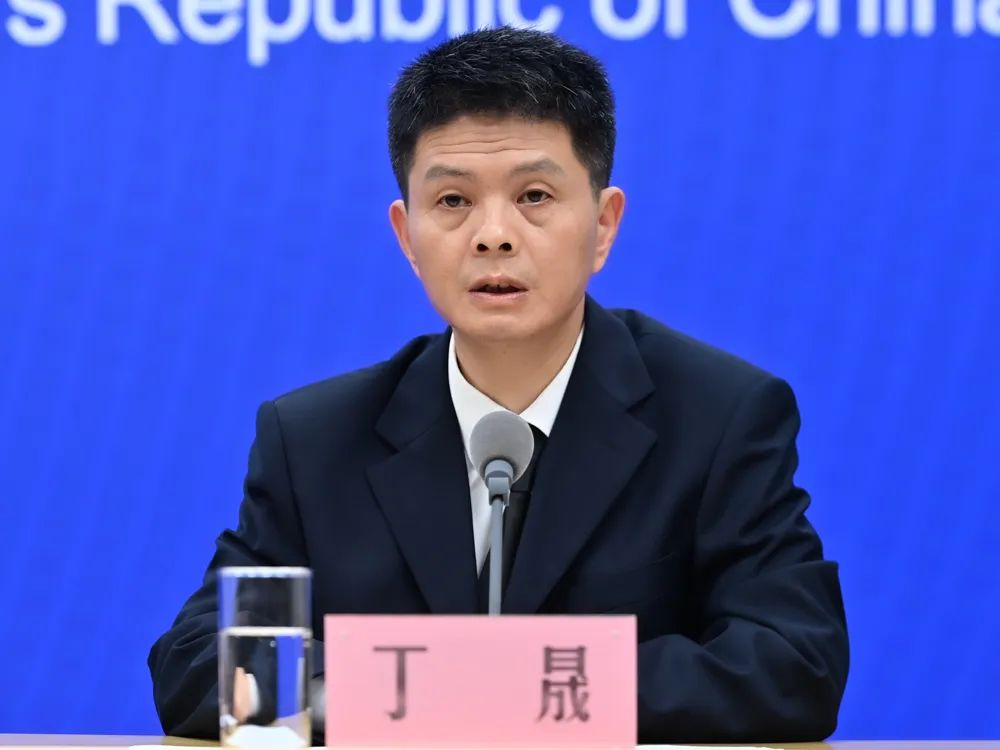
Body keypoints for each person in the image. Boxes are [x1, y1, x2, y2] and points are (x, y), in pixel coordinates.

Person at [148, 26, 849, 744]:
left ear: (604, 224)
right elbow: (197, 663)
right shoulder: (314, 440)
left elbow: (792, 663)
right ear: (407, 236)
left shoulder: (719, 416)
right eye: (453, 201)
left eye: (534, 195)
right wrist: (412, 691)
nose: (493, 235)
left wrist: (499, 689)